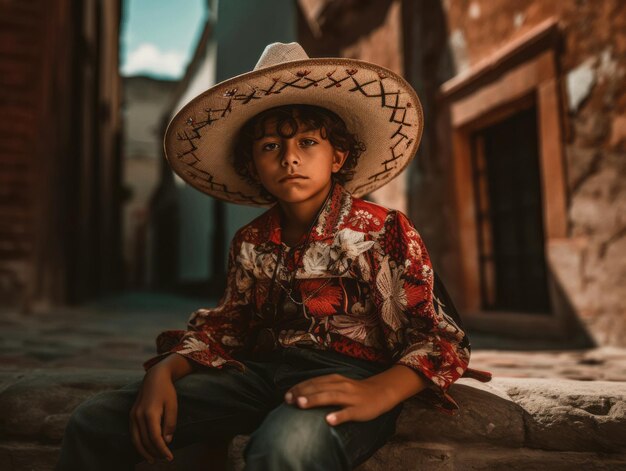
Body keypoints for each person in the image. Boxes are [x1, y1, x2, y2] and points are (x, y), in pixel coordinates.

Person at [56, 42, 492, 471]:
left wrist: (382, 391)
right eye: (269, 147)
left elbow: (440, 338)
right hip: (257, 376)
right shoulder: (251, 240)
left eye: (307, 143)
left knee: (285, 451)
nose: (289, 158)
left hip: (350, 376)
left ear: (337, 156)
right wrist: (166, 371)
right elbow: (230, 324)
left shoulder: (382, 229)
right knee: (97, 421)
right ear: (253, 164)